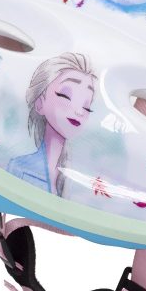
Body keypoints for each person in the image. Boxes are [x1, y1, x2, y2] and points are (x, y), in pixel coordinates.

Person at [7, 52, 97, 196]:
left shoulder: (79, 180)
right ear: (39, 103)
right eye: (65, 96)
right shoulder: (20, 168)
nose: (79, 112)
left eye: (86, 107)